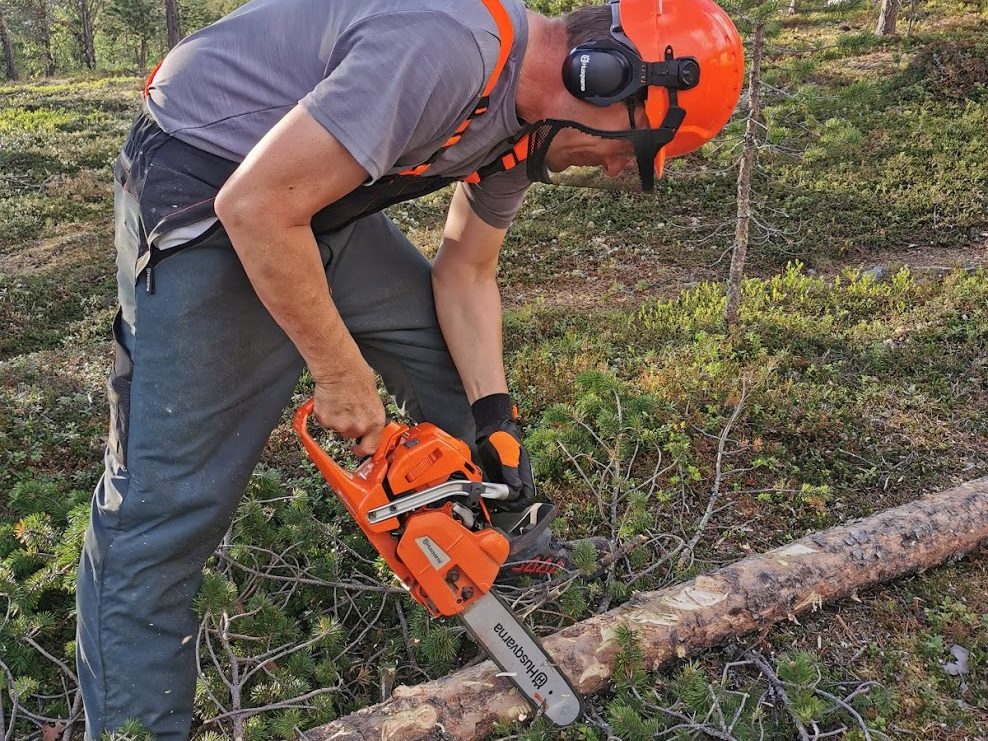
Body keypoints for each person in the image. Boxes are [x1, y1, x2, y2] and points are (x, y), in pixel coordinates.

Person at [75, 0, 743, 737]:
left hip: (316, 197)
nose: (621, 166)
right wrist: (338, 370)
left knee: (450, 369)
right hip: (210, 186)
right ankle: (135, 724)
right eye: (638, 145)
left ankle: (489, 547)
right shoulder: (448, 52)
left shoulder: (522, 124)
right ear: (601, 76)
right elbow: (259, 207)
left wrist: (495, 422)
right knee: (163, 508)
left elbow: (466, 271)